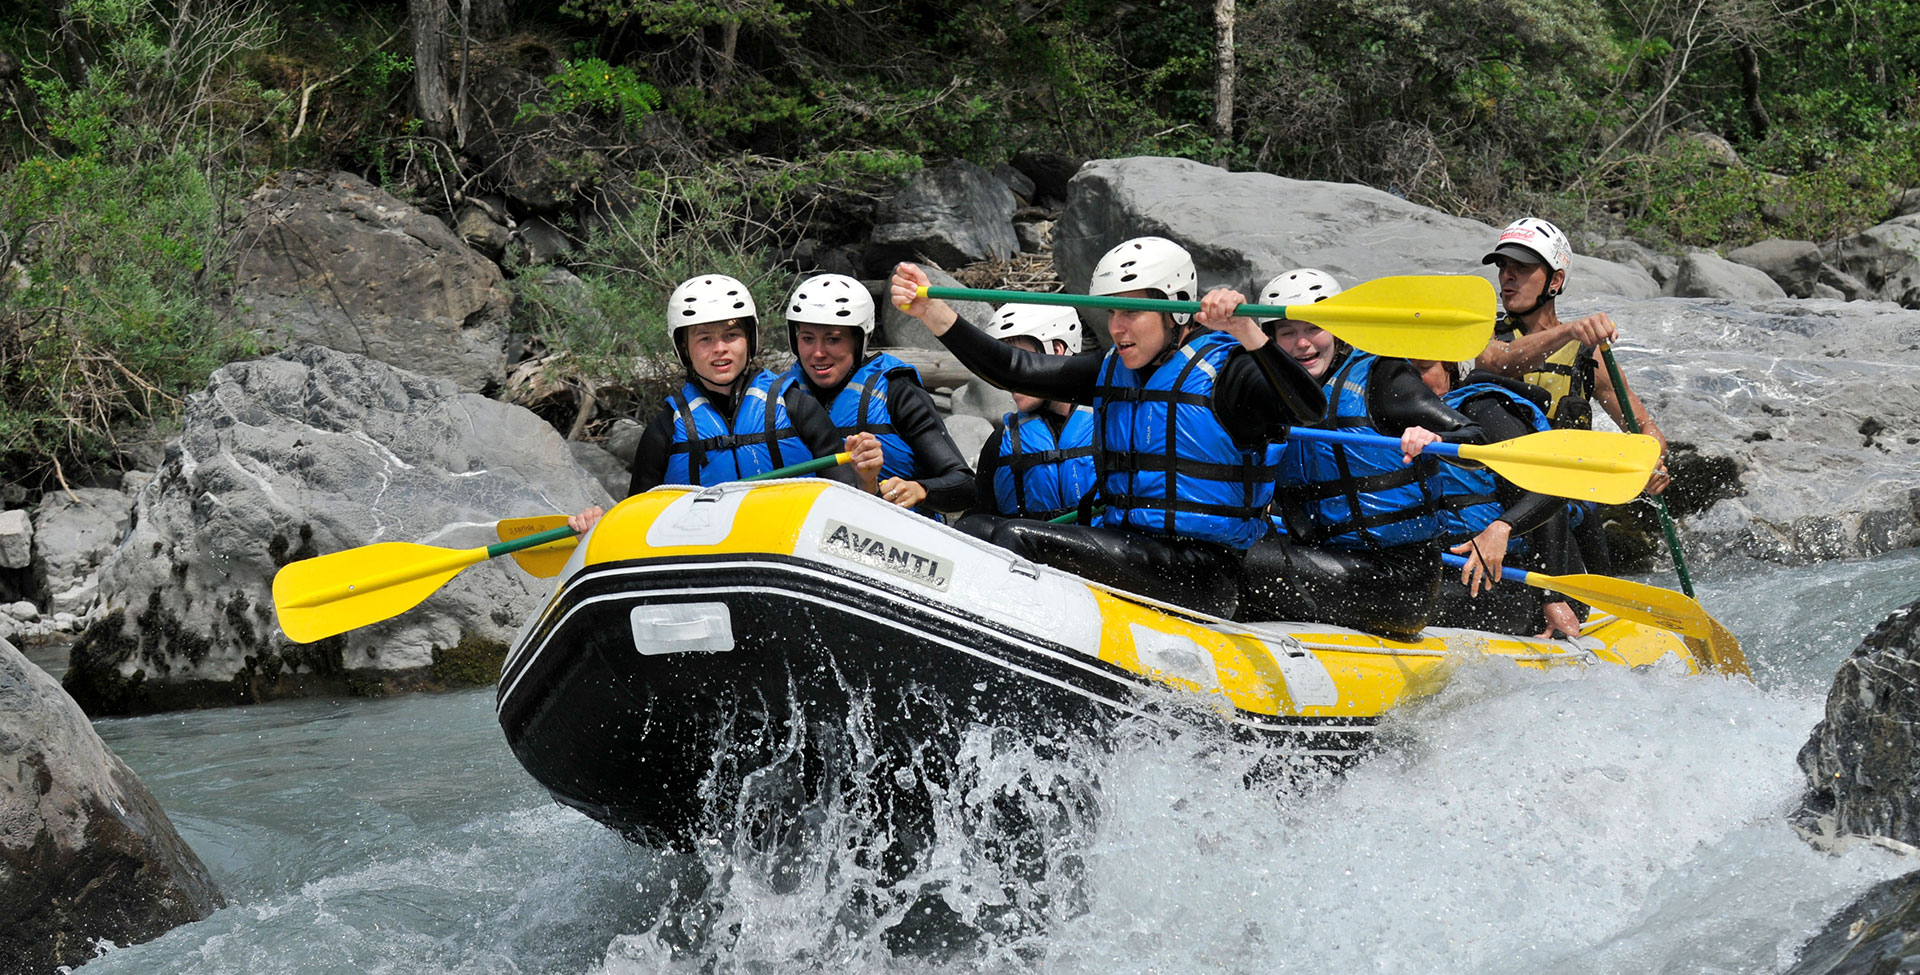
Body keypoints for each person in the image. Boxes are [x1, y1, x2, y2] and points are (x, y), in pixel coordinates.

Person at [889, 237, 1326, 618]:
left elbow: (1308, 409)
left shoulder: (1231, 372)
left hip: (1202, 570)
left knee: (1015, 538)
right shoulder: (1111, 370)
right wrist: (934, 314)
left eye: (1133, 311)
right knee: (975, 531)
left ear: (1175, 312)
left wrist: (1248, 330)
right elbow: (1015, 368)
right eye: (1113, 310)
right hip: (1131, 547)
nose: (1117, 326)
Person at [1238, 269, 1484, 639]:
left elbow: (1476, 442)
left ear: (1337, 330)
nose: (1302, 343)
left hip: (1398, 579)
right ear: (1272, 340)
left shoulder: (1381, 378)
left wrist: (1434, 437)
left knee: (1235, 564)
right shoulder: (1275, 393)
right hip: (1327, 560)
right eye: (1288, 333)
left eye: (1313, 328)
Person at [567, 273, 884, 533]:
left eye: (731, 336)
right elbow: (633, 528)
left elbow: (852, 504)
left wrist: (867, 478)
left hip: (792, 551)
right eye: (704, 338)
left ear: (750, 339)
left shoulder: (797, 408)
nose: (720, 348)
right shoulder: (664, 431)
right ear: (685, 349)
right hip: (707, 563)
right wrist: (595, 528)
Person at [1473, 217, 1671, 573]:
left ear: (1555, 280)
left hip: (1565, 501)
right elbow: (1497, 363)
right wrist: (1568, 331)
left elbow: (1643, 427)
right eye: (1504, 267)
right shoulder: (1484, 334)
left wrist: (1650, 464)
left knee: (1590, 590)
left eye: (1522, 268)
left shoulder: (1586, 354)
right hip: (1498, 495)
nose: (1507, 277)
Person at [1413, 358, 1584, 639]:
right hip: (1446, 566)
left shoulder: (1483, 409)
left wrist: (1551, 596)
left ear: (1449, 368)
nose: (1412, 381)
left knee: (1414, 602)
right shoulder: (1385, 419)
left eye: (1423, 369)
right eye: (1403, 371)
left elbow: (1550, 488)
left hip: (1518, 576)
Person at [783, 272, 977, 518]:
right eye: (807, 339)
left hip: (895, 536)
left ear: (858, 341)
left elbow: (964, 486)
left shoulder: (897, 390)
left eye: (833, 339)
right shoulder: (782, 396)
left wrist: (919, 489)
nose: (818, 353)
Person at [953, 303, 1098, 537]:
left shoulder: (1111, 427)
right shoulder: (1001, 442)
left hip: (1097, 555)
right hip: (1027, 561)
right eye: (1007, 367)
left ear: (1057, 350)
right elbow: (977, 517)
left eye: (1020, 362)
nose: (1011, 378)